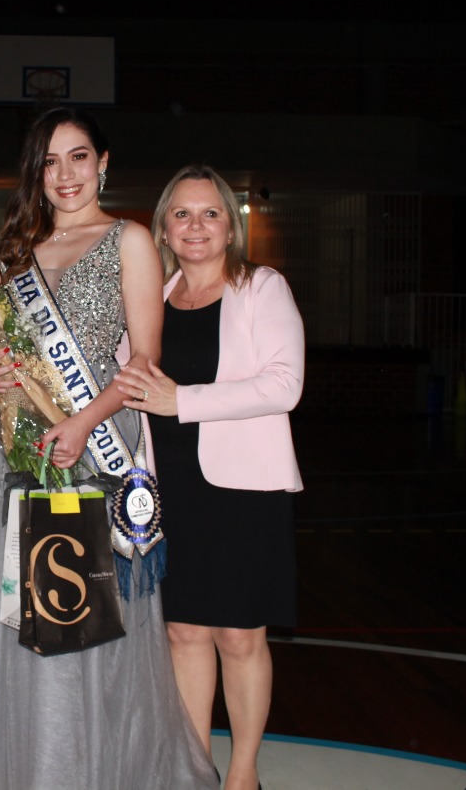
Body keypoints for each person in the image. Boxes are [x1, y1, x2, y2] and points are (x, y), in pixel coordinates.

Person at [0, 108, 219, 789]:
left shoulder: (129, 239)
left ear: (103, 163)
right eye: (50, 162)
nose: (65, 175)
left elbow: (145, 359)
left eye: (78, 157)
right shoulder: (10, 250)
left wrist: (84, 422)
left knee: (79, 623)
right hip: (16, 451)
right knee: (13, 614)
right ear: (36, 173)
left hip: (91, 446)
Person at [113, 164, 304, 790]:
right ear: (163, 228)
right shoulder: (152, 297)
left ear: (231, 227)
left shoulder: (262, 287)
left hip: (244, 492)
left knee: (241, 638)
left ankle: (243, 774)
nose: (196, 225)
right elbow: (121, 384)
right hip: (167, 492)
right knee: (184, 632)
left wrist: (182, 402)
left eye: (210, 213)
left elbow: (285, 385)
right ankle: (196, 770)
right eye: (182, 213)